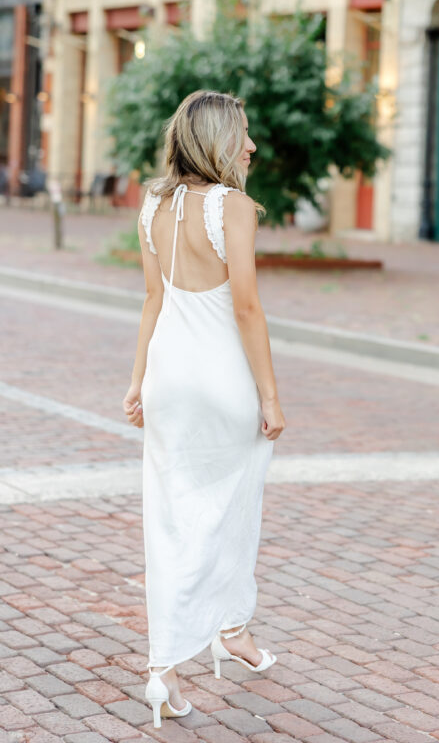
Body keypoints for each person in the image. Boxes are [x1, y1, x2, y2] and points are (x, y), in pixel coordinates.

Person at [121, 89, 286, 728]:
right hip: (220, 381)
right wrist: (270, 395)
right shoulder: (233, 206)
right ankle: (225, 631)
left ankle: (174, 664)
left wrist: (136, 382)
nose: (250, 146)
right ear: (217, 141)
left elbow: (150, 301)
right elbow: (245, 307)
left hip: (167, 379)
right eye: (242, 134)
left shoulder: (152, 205)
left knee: (169, 519)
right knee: (232, 508)